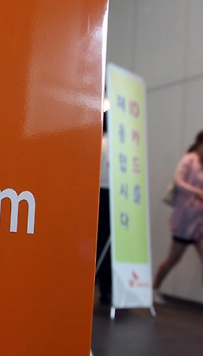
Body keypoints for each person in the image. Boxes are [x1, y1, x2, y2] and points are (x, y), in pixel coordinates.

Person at [152, 130, 203, 317]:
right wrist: (195, 191)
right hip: (185, 221)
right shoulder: (189, 160)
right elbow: (178, 181)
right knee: (173, 259)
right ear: (198, 145)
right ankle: (154, 287)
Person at [96, 114, 112, 304]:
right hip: (112, 196)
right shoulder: (111, 145)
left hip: (100, 194)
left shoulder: (100, 142)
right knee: (107, 244)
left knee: (100, 242)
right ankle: (107, 288)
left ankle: (104, 287)